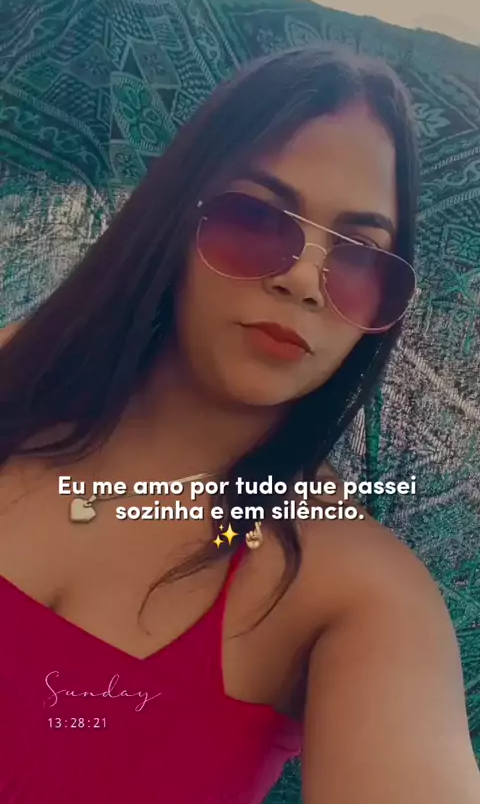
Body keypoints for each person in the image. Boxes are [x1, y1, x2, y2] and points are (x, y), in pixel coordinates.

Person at [0, 46, 478, 804]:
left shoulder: (360, 595)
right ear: (174, 216)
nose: (303, 279)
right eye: (257, 217)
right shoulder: (13, 380)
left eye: (360, 256)